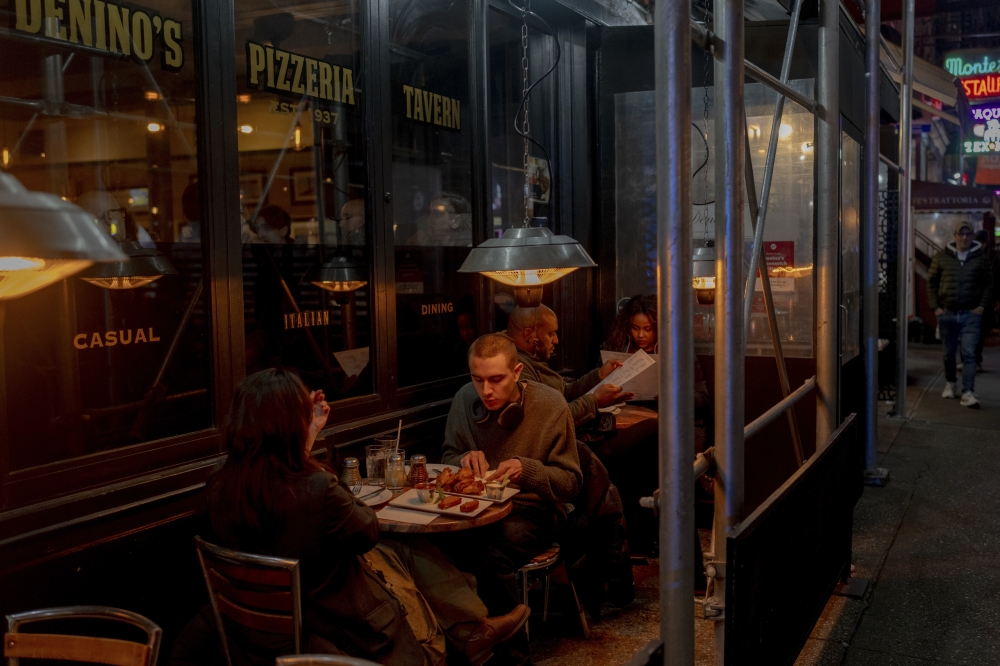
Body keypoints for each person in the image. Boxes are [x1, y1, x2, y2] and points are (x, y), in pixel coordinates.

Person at [205, 368, 529, 666]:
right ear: (290, 427)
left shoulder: (220, 482)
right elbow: (368, 531)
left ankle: (472, 629)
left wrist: (306, 437)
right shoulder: (316, 488)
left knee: (401, 551)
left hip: (261, 620)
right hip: (336, 619)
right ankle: (463, 634)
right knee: (396, 547)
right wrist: (309, 447)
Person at [441, 334, 582, 666]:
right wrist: (461, 461)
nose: (486, 391)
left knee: (492, 560)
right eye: (478, 379)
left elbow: (571, 483)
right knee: (441, 552)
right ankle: (466, 648)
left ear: (517, 372)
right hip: (479, 508)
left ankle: (515, 659)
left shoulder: (550, 405)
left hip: (535, 508)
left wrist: (528, 470)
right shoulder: (464, 400)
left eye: (496, 379)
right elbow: (447, 455)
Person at [504, 304, 630, 426]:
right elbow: (551, 418)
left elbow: (562, 393)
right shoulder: (516, 367)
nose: (556, 340)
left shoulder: (531, 358)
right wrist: (595, 401)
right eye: (551, 333)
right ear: (528, 335)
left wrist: (598, 375)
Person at [928, 220, 993, 408]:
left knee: (969, 353)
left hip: (971, 314)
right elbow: (931, 282)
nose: (964, 237)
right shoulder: (942, 257)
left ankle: (968, 391)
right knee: (948, 354)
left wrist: (981, 307)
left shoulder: (980, 257)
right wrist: (936, 307)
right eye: (961, 234)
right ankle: (951, 382)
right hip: (947, 313)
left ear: (973, 236)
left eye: (968, 234)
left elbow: (988, 284)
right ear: (955, 235)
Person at [974, 229, 1000, 370]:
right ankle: (972, 359)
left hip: (987, 300)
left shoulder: (994, 257)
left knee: (981, 330)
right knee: (972, 330)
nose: (979, 244)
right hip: (973, 299)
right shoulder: (972, 255)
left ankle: (976, 359)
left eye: (981, 242)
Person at [406, 194, 473, 247]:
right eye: (430, 213)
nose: (429, 220)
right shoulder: (426, 244)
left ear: (456, 221)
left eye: (437, 214)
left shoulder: (469, 251)